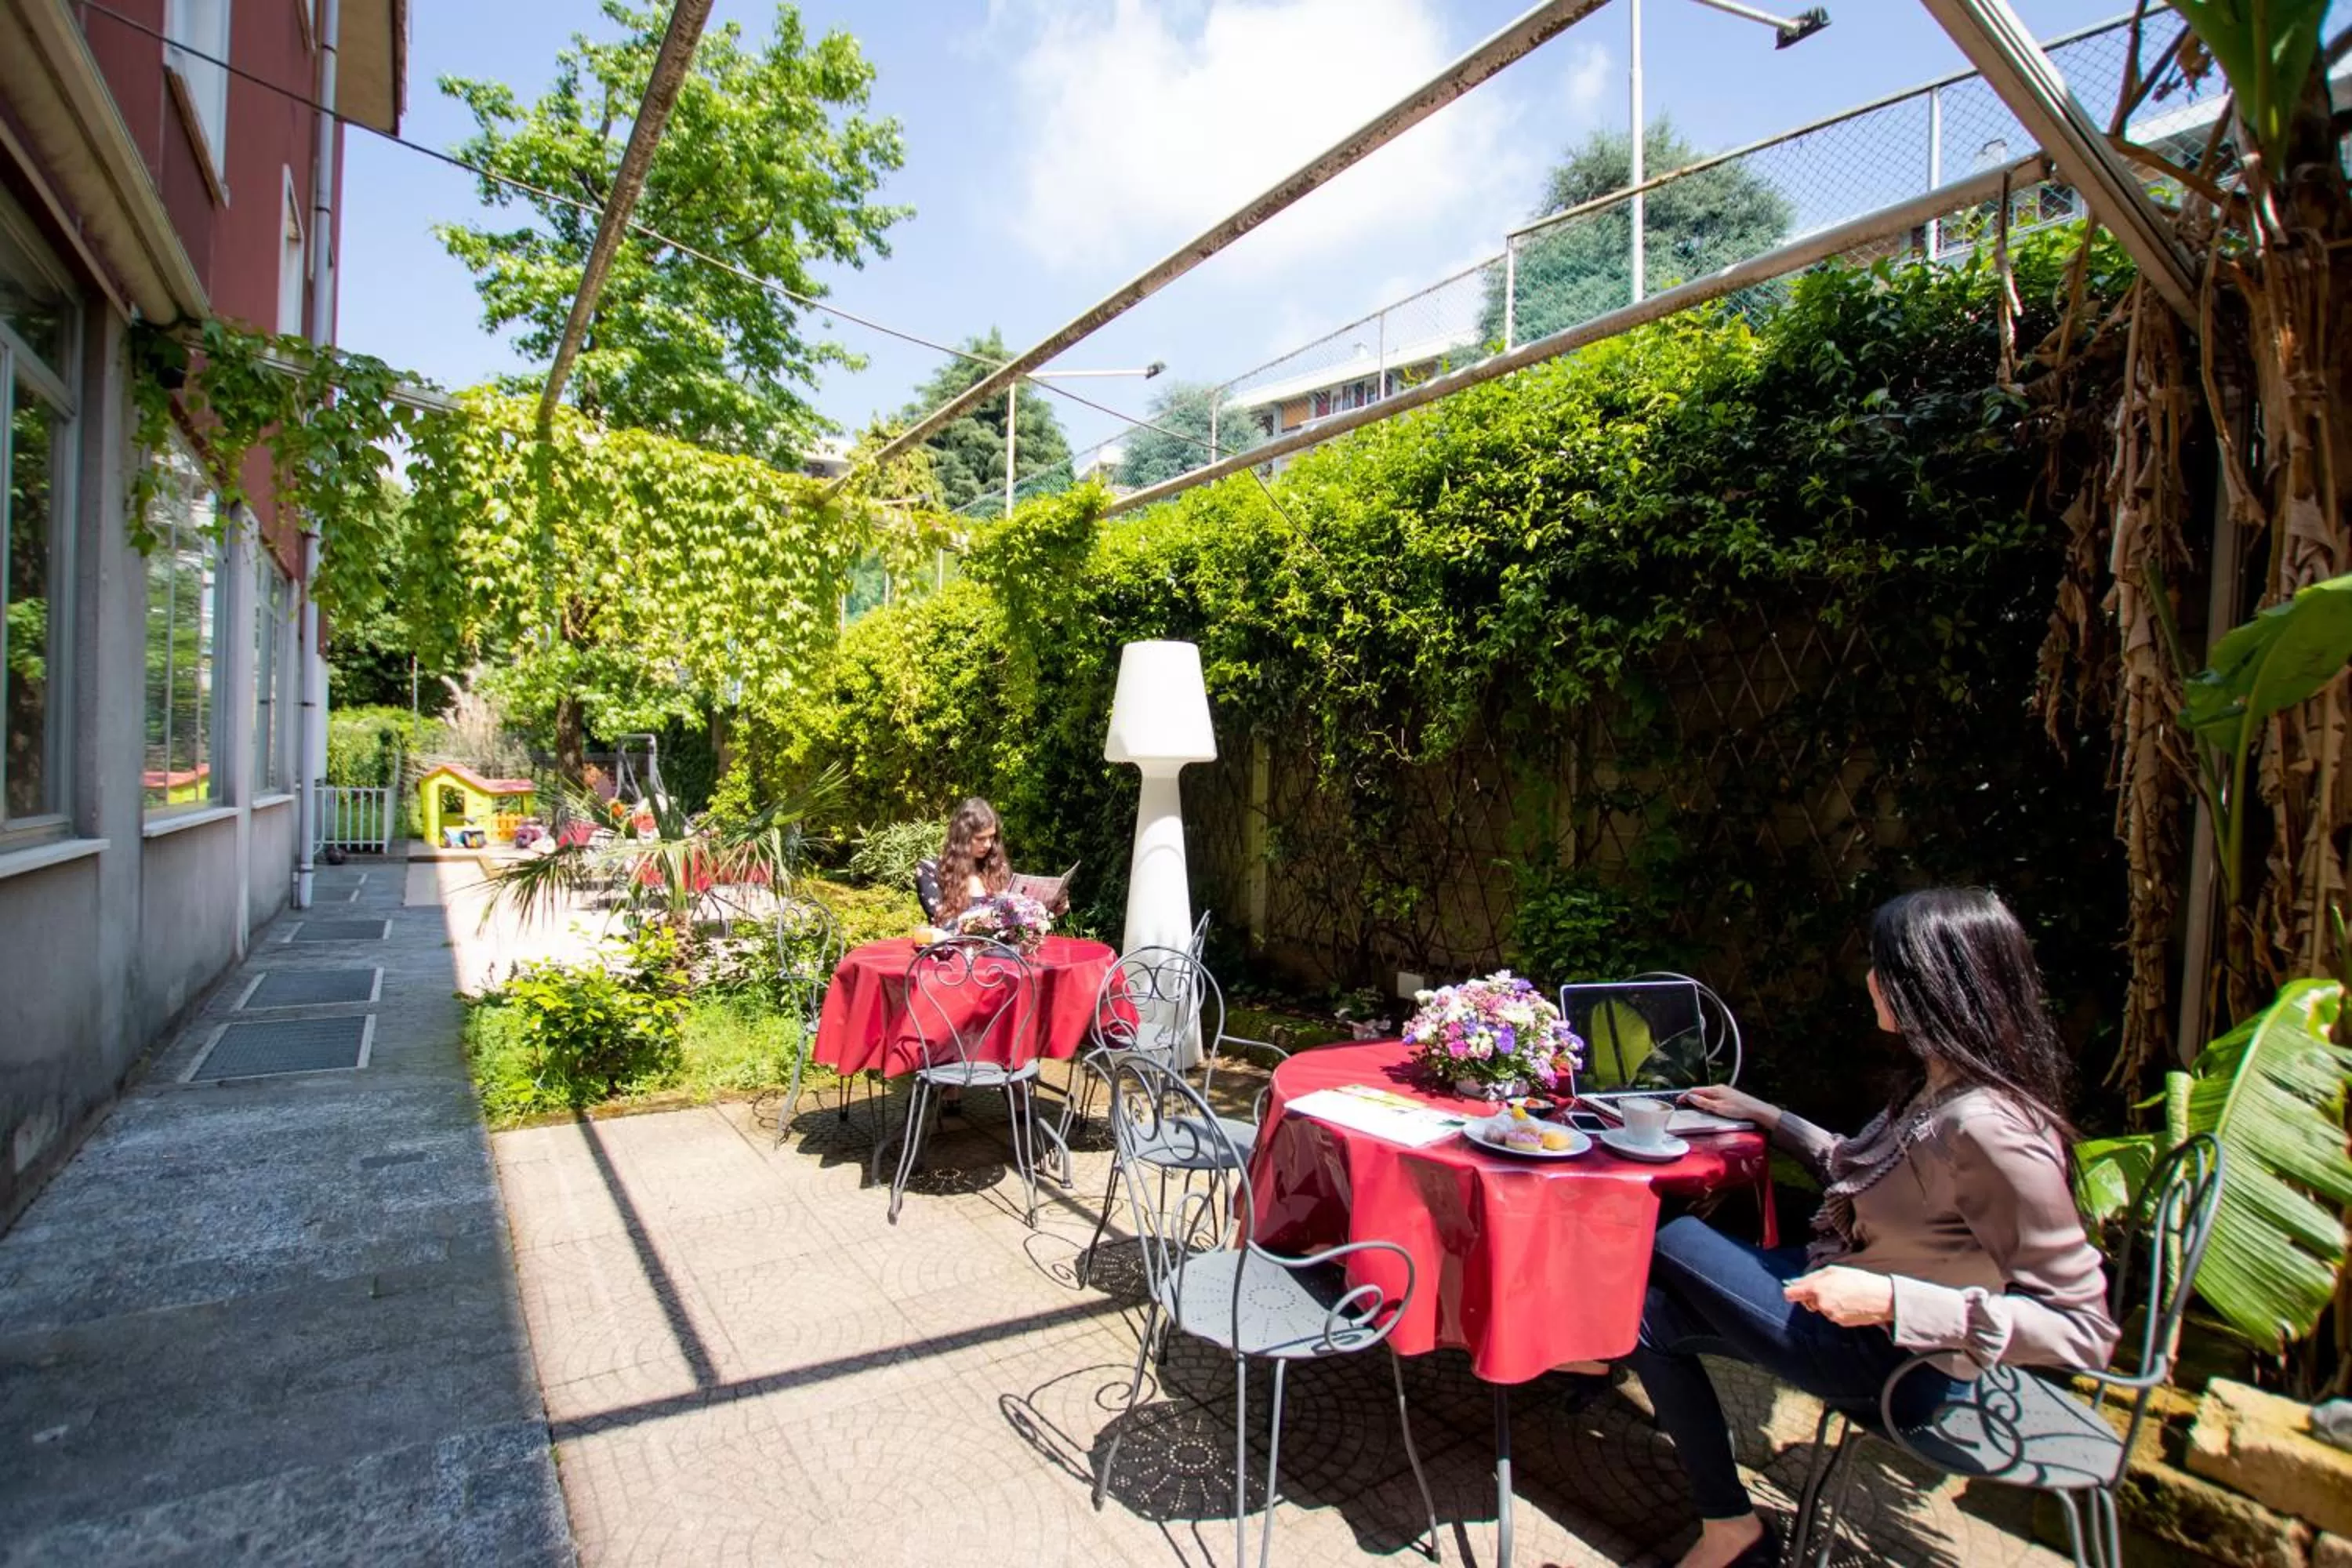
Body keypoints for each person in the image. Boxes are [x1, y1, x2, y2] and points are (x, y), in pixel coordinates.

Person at [1559, 887, 2118, 1568]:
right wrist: (1764, 1114)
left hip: (1894, 1364)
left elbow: (2085, 1332)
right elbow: (1863, 1171)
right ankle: (1730, 1531)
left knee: (1655, 1228)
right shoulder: (1941, 1084)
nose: (1871, 980)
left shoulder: (1989, 1129)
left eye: (1886, 965)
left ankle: (1573, 1344)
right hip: (1855, 1312)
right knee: (1647, 1314)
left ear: (1934, 985)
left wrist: (1893, 1302)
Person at [922, 797, 1012, 926]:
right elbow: (941, 923)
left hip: (998, 945)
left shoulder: (997, 868)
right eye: (980, 839)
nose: (988, 844)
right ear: (963, 838)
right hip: (953, 945)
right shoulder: (931, 870)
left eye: (992, 837)